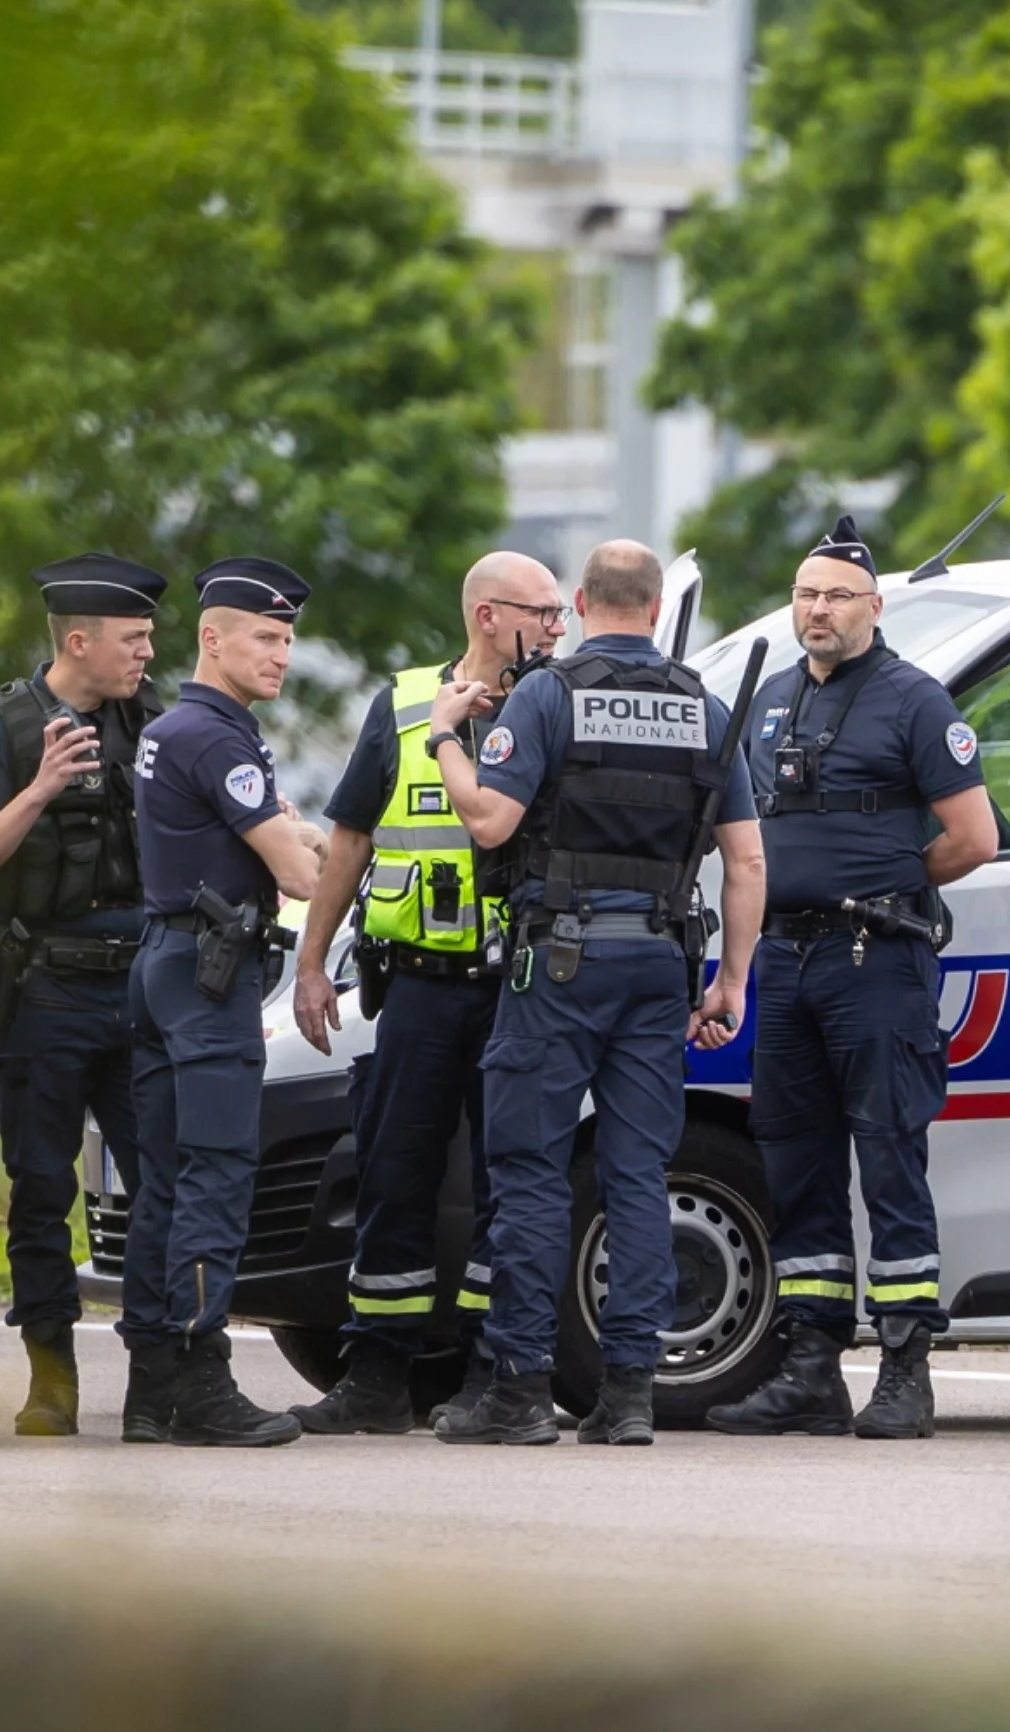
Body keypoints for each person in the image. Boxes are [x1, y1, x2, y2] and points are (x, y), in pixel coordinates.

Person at [421, 540, 765, 1446]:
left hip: (559, 964)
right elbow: (747, 859)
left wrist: (442, 741)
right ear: (654, 607)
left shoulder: (547, 694)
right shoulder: (703, 707)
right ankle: (628, 1397)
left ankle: (522, 1389)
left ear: (579, 601)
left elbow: (489, 818)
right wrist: (730, 977)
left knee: (531, 1175)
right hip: (660, 965)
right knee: (638, 1175)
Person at [703, 515, 998, 1442]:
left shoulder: (916, 702)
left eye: (835, 595)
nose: (817, 609)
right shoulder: (771, 699)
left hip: (876, 960)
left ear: (874, 606)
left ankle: (905, 1371)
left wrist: (883, 888)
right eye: (804, 594)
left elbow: (973, 838)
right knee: (797, 1166)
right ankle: (810, 1368)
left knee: (889, 1161)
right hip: (786, 961)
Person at [286, 551, 570, 1434]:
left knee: (509, 1182)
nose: (560, 628)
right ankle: (376, 1377)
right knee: (392, 1172)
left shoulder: (560, 705)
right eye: (544, 612)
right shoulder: (405, 705)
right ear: (489, 616)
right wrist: (310, 960)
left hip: (519, 986)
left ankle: (492, 1374)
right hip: (415, 986)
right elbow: (349, 840)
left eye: (564, 613)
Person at [0, 552, 165, 1438]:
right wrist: (39, 787)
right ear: (79, 640)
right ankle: (52, 1380)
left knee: (163, 1182)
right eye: (133, 639)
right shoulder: (5, 726)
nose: (148, 654)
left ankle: (155, 1378)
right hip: (46, 992)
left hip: (144, 986)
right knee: (41, 1187)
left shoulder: (156, 719)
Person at [119, 557, 326, 1448]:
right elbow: (299, 873)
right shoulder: (216, 735)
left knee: (164, 1183)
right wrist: (324, 851)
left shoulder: (179, 727)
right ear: (214, 638)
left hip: (166, 962)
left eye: (287, 640)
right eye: (266, 638)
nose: (282, 656)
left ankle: (149, 1390)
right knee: (215, 1174)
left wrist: (293, 830)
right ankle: (201, 1384)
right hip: (209, 978)